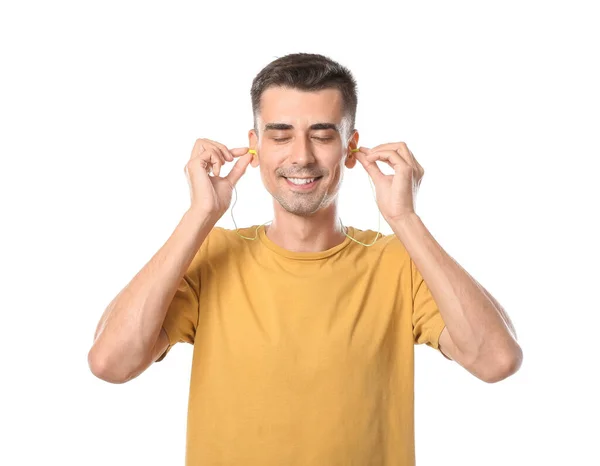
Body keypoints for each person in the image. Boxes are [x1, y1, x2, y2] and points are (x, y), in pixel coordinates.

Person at [88, 53, 522, 465]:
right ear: (254, 146)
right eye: (280, 135)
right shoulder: (211, 254)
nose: (301, 156)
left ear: (351, 148)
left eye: (321, 134)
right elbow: (111, 363)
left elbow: (496, 361)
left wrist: (404, 218)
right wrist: (199, 215)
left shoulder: (398, 263)